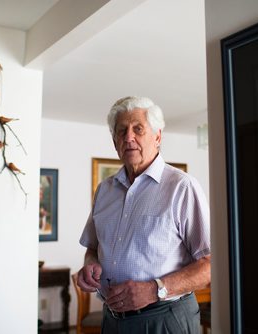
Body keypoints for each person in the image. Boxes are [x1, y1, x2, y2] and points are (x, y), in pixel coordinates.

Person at [77, 96, 211, 333]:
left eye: (138, 129)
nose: (129, 137)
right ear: (114, 140)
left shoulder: (182, 187)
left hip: (165, 319)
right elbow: (93, 249)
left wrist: (154, 289)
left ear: (157, 136)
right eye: (121, 131)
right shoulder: (104, 190)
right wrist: (90, 265)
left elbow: (210, 266)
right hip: (112, 319)